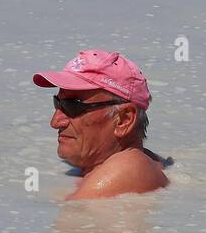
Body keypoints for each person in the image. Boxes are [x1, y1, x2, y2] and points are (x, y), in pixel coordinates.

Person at [33, 49, 171, 200]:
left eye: (73, 106)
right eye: (57, 102)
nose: (55, 122)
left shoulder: (125, 170)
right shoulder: (142, 160)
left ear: (124, 120)